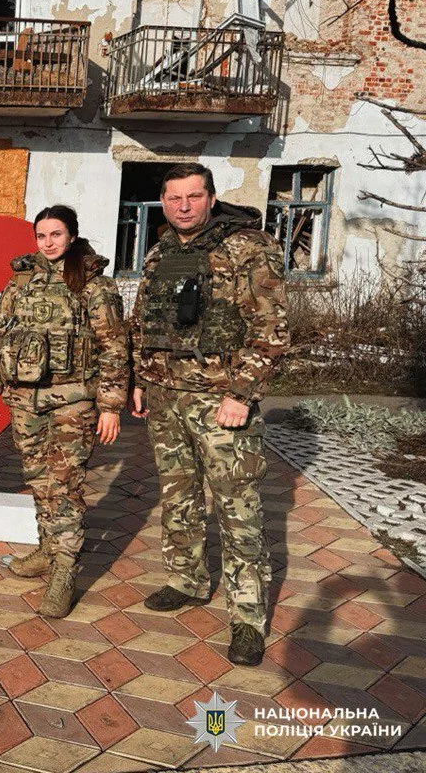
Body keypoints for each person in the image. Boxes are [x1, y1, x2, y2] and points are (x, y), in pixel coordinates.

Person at [131, 163, 289, 666]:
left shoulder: (249, 248)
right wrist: (141, 380)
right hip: (165, 397)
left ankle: (246, 617)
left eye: (193, 197)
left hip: (221, 400)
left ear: (211, 198)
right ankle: (187, 578)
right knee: (178, 494)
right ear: (162, 200)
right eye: (173, 197)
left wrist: (242, 394)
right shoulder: (160, 252)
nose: (183, 206)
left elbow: (271, 329)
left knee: (237, 507)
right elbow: (144, 320)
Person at [0, 205, 128, 618]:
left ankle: (65, 569)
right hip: (25, 399)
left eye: (56, 234)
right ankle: (47, 549)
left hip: (74, 400)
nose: (48, 243)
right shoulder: (21, 281)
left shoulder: (94, 286)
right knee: (37, 476)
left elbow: (115, 348)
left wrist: (111, 406)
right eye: (42, 235)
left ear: (73, 235)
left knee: (64, 484)